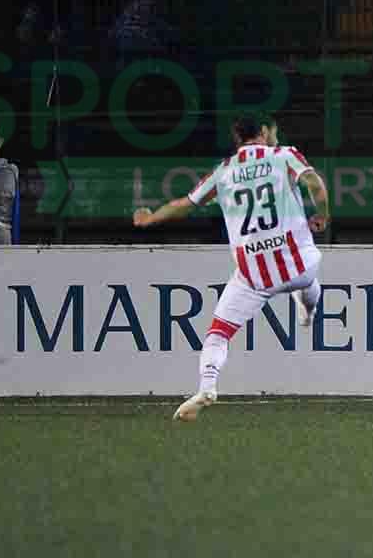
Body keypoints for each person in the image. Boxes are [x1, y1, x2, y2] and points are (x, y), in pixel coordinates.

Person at [132, 112, 331, 422]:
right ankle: (308, 309)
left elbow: (185, 205)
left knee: (218, 333)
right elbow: (315, 185)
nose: (276, 137)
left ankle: (207, 387)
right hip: (299, 265)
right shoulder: (284, 155)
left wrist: (150, 218)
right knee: (307, 280)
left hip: (254, 276)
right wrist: (323, 214)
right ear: (264, 131)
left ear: (238, 137)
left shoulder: (223, 171)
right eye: (274, 131)